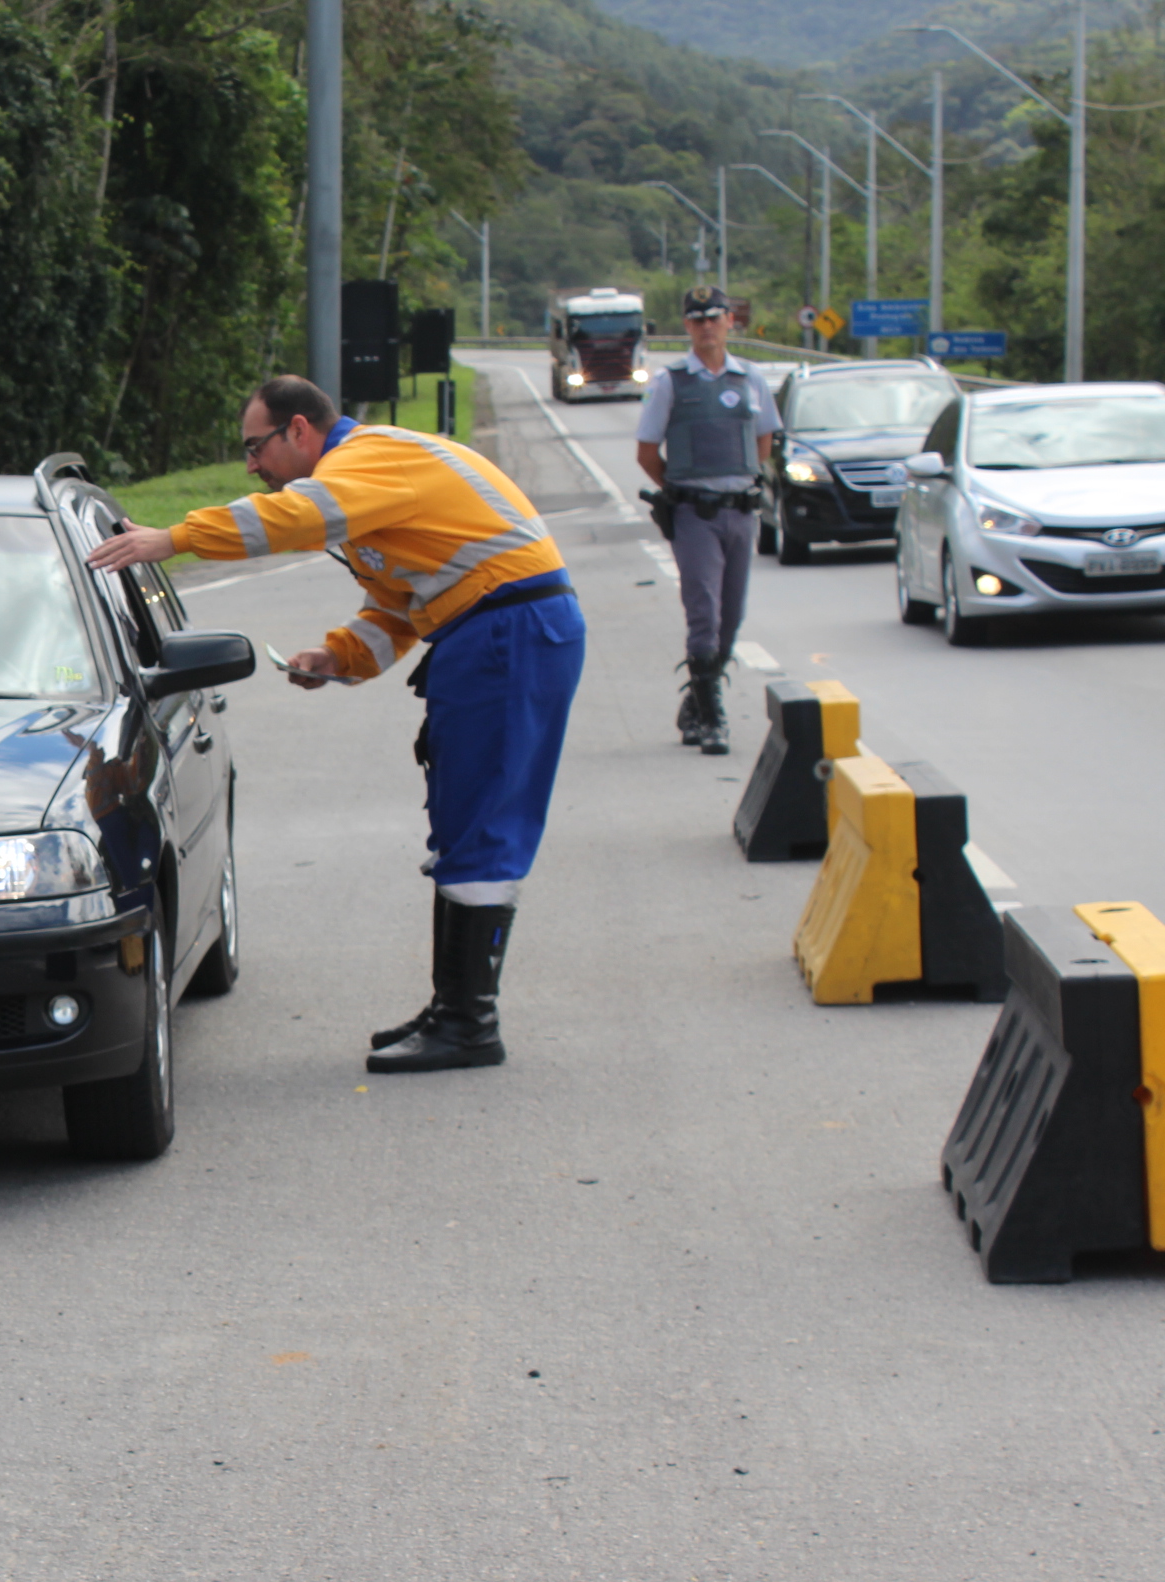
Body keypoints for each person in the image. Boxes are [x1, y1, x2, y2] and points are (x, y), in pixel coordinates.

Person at [87, 375, 585, 1074]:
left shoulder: (366, 460)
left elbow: (291, 519)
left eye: (256, 447)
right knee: (461, 817)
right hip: (493, 634)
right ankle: (455, 1008)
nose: (252, 466)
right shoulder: (368, 483)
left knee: (483, 822)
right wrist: (340, 656)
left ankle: (470, 1021)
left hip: (508, 633)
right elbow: (400, 604)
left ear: (299, 430)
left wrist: (174, 539)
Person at [634, 284, 779, 756]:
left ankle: (694, 704)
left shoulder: (750, 378)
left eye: (715, 317)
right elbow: (647, 451)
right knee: (704, 614)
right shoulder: (670, 382)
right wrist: (681, 488)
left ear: (730, 321)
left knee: (731, 617)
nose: (707, 327)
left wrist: (744, 477)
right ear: (687, 326)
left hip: (740, 512)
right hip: (695, 514)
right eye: (697, 319)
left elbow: (764, 440)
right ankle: (714, 717)